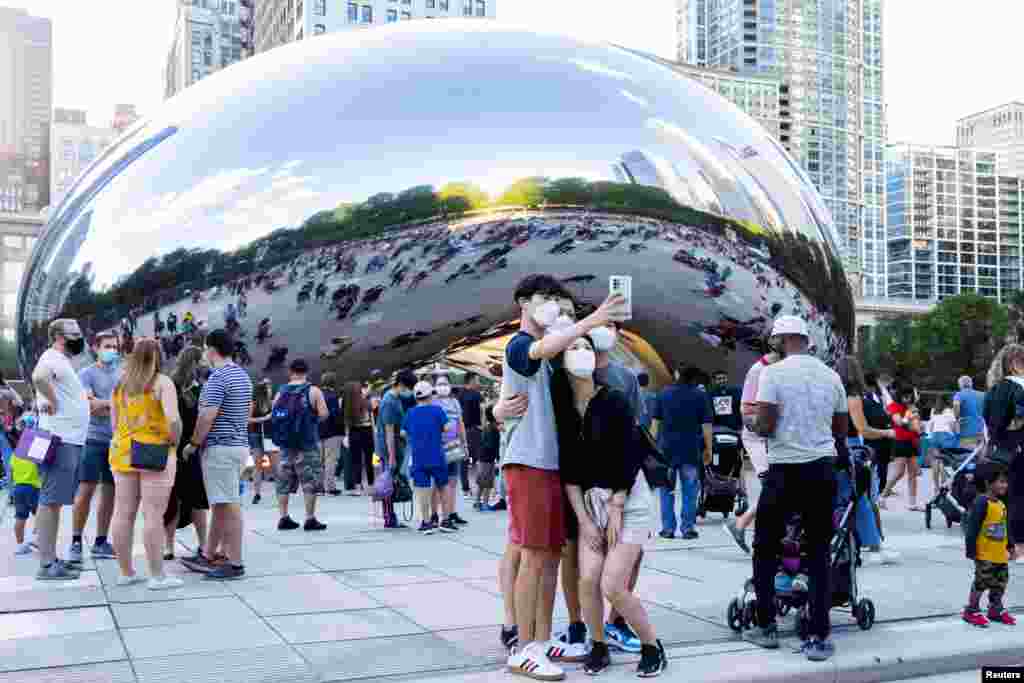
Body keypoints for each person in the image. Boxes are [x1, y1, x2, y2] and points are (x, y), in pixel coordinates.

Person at [499, 274, 622, 680]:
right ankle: (522, 647)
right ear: (523, 302)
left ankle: (539, 639)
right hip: (529, 462)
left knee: (550, 557)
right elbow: (537, 350)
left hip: (549, 465)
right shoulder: (520, 344)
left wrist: (495, 411)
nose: (551, 305)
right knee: (534, 557)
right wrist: (592, 318)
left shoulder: (551, 356)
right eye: (544, 297)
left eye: (557, 298)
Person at [556, 335, 667, 677]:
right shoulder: (561, 411)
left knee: (612, 585)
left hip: (629, 498)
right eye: (573, 347)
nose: (582, 353)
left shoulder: (614, 399)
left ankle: (652, 646)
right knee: (587, 579)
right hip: (590, 504)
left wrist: (617, 503)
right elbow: (570, 475)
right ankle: (599, 645)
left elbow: (631, 452)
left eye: (587, 347)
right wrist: (586, 522)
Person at [746, 315, 846, 661]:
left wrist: (752, 422)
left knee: (765, 547)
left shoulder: (772, 374)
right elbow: (840, 428)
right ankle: (818, 636)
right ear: (805, 340)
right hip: (821, 469)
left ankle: (766, 626)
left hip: (784, 470)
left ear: (781, 341)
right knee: (818, 552)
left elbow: (766, 424)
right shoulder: (831, 376)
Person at [108, 338, 184, 590]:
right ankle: (157, 576)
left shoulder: (120, 385)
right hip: (155, 452)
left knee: (122, 513)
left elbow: (115, 423)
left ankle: (125, 572)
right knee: (153, 515)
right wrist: (174, 441)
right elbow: (173, 420)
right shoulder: (162, 383)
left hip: (122, 452)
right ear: (158, 357)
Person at [181, 329, 253, 580]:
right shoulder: (243, 376)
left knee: (229, 504)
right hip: (239, 445)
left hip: (220, 448)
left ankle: (235, 562)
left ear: (211, 349)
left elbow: (207, 416)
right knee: (222, 503)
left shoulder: (218, 378)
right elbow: (246, 413)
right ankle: (209, 552)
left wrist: (193, 443)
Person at [31, 318, 90, 580]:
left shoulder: (60, 360)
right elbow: (38, 378)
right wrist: (54, 401)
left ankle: (51, 558)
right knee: (49, 500)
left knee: (53, 502)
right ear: (58, 336)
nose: (79, 336)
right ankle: (46, 564)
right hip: (58, 439)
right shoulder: (51, 358)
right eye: (73, 333)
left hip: (63, 438)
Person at [835, 356, 896, 564]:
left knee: (847, 499)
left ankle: (864, 543)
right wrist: (887, 434)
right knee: (862, 498)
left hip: (832, 447)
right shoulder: (853, 397)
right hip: (853, 449)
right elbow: (863, 430)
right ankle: (873, 545)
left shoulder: (833, 392)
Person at [69, 332, 121, 564]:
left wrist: (104, 404)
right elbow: (90, 406)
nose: (112, 350)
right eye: (108, 346)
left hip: (117, 442)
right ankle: (76, 540)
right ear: (96, 348)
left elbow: (110, 406)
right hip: (92, 439)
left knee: (110, 494)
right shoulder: (86, 374)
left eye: (115, 346)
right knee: (85, 491)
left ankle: (101, 541)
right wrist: (116, 405)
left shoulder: (123, 374)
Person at [723, 351, 779, 554]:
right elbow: (747, 412)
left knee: (775, 488)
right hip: (760, 437)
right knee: (775, 487)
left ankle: (741, 524)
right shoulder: (759, 371)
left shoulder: (770, 369)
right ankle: (743, 526)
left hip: (766, 436)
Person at [652, 365, 712, 540]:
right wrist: (708, 448)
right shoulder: (700, 395)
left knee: (666, 491)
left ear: (677, 375)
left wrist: (652, 447)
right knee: (690, 491)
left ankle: (668, 529)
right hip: (691, 451)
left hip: (666, 451)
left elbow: (655, 424)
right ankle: (687, 529)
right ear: (694, 378)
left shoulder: (664, 393)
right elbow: (706, 425)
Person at [164, 347, 212, 564]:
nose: (205, 362)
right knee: (190, 499)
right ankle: (200, 543)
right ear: (194, 362)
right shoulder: (179, 386)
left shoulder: (184, 386)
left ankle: (170, 546)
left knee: (182, 498)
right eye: (201, 359)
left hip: (181, 448)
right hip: (184, 449)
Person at [271, 359, 329, 531]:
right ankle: (310, 518)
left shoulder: (281, 392)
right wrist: (311, 422)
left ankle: (283, 517)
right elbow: (324, 414)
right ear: (306, 372)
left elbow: (275, 414)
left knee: (283, 481)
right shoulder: (313, 390)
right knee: (309, 480)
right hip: (307, 443)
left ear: (291, 372)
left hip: (286, 444)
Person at [982, 344, 1024, 560]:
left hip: (1002, 450)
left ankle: (1008, 548)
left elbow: (990, 422)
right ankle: (1019, 549)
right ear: (1015, 364)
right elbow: (1016, 421)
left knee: (1007, 498)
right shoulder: (1018, 388)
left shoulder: (995, 389)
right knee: (1018, 497)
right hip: (1018, 448)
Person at [963, 463, 1016, 626]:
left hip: (999, 554)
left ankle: (995, 608)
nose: (1004, 485)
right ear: (988, 483)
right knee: (981, 582)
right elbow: (972, 527)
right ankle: (971, 610)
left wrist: (1010, 545)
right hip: (984, 553)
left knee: (1001, 582)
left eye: (1005, 482)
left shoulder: (1001, 504)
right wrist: (971, 550)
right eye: (1000, 481)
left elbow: (1004, 527)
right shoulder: (981, 502)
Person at [403, 381, 456, 534]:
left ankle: (426, 522)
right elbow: (447, 428)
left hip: (418, 457)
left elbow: (403, 432)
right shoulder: (437, 410)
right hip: (436, 455)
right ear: (430, 395)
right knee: (443, 486)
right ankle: (445, 521)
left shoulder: (410, 412)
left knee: (422, 490)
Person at [374, 369, 418, 528]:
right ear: (401, 384)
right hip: (388, 447)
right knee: (387, 482)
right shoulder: (389, 401)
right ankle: (388, 517)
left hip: (395, 444)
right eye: (409, 387)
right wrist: (391, 456)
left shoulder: (396, 398)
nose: (410, 391)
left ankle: (391, 516)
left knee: (392, 481)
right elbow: (389, 431)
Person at [433, 373, 469, 527]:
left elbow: (460, 424)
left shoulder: (455, 402)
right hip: (439, 448)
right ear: (435, 386)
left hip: (454, 447)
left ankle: (452, 512)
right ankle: (436, 514)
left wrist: (464, 444)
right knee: (438, 483)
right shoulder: (433, 403)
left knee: (453, 481)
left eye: (445, 383)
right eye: (440, 383)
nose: (443, 386)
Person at [880, 383, 922, 511]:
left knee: (913, 473)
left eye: (909, 396)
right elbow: (898, 422)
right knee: (899, 472)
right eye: (905, 396)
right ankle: (882, 497)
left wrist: (916, 423)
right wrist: (909, 416)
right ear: (900, 396)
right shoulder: (894, 406)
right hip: (900, 441)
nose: (907, 399)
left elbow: (916, 427)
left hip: (912, 441)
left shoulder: (912, 407)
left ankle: (912, 503)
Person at [862, 372, 894, 500]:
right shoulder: (865, 399)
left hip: (883, 435)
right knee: (874, 463)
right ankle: (877, 489)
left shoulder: (878, 397)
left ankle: (882, 487)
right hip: (873, 435)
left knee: (883, 463)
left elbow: (889, 409)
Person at [343, 380, 375, 495]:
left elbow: (346, 420)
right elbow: (372, 410)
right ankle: (371, 485)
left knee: (355, 460)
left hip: (353, 431)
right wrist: (367, 395)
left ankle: (357, 486)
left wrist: (346, 435)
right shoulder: (365, 401)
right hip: (367, 431)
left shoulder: (347, 403)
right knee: (370, 458)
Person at [925, 395, 959, 494]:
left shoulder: (933, 411)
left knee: (935, 462)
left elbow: (931, 426)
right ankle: (944, 487)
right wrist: (956, 435)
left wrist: (931, 436)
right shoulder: (949, 411)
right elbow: (953, 426)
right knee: (943, 463)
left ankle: (936, 488)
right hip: (946, 436)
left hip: (935, 436)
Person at [459, 373, 485, 499]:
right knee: (479, 459)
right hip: (474, 430)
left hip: (462, 430)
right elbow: (483, 410)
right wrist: (482, 425)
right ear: (472, 381)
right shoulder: (476, 394)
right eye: (477, 380)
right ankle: (481, 489)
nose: (479, 382)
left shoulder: (460, 394)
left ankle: (466, 490)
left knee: (464, 460)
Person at [248, 379, 274, 504]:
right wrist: (265, 418)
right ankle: (257, 493)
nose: (270, 390)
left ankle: (279, 492)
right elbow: (247, 420)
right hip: (256, 435)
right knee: (258, 466)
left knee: (273, 464)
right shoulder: (253, 404)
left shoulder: (271, 403)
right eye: (268, 387)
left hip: (269, 435)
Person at [11, 446, 40, 555]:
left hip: (18, 488)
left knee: (20, 517)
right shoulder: (35, 452)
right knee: (40, 514)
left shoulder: (15, 454)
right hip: (33, 488)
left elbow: (11, 470)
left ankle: (20, 545)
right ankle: (37, 539)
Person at [318, 372, 343, 496]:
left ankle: (319, 487)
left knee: (319, 461)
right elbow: (335, 415)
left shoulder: (317, 395)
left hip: (318, 431)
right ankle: (330, 487)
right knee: (330, 460)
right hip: (332, 431)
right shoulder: (333, 397)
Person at [475, 406, 500, 511]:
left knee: (482, 482)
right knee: (487, 483)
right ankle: (484, 503)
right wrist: (497, 458)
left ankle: (477, 502)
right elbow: (492, 445)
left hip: (482, 458)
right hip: (488, 459)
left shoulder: (488, 427)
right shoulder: (493, 429)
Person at [953, 375, 986, 450]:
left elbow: (956, 405)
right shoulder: (982, 395)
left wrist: (957, 417)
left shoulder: (959, 394)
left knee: (967, 456)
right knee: (980, 457)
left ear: (960, 385)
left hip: (967, 432)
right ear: (971, 384)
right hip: (981, 431)